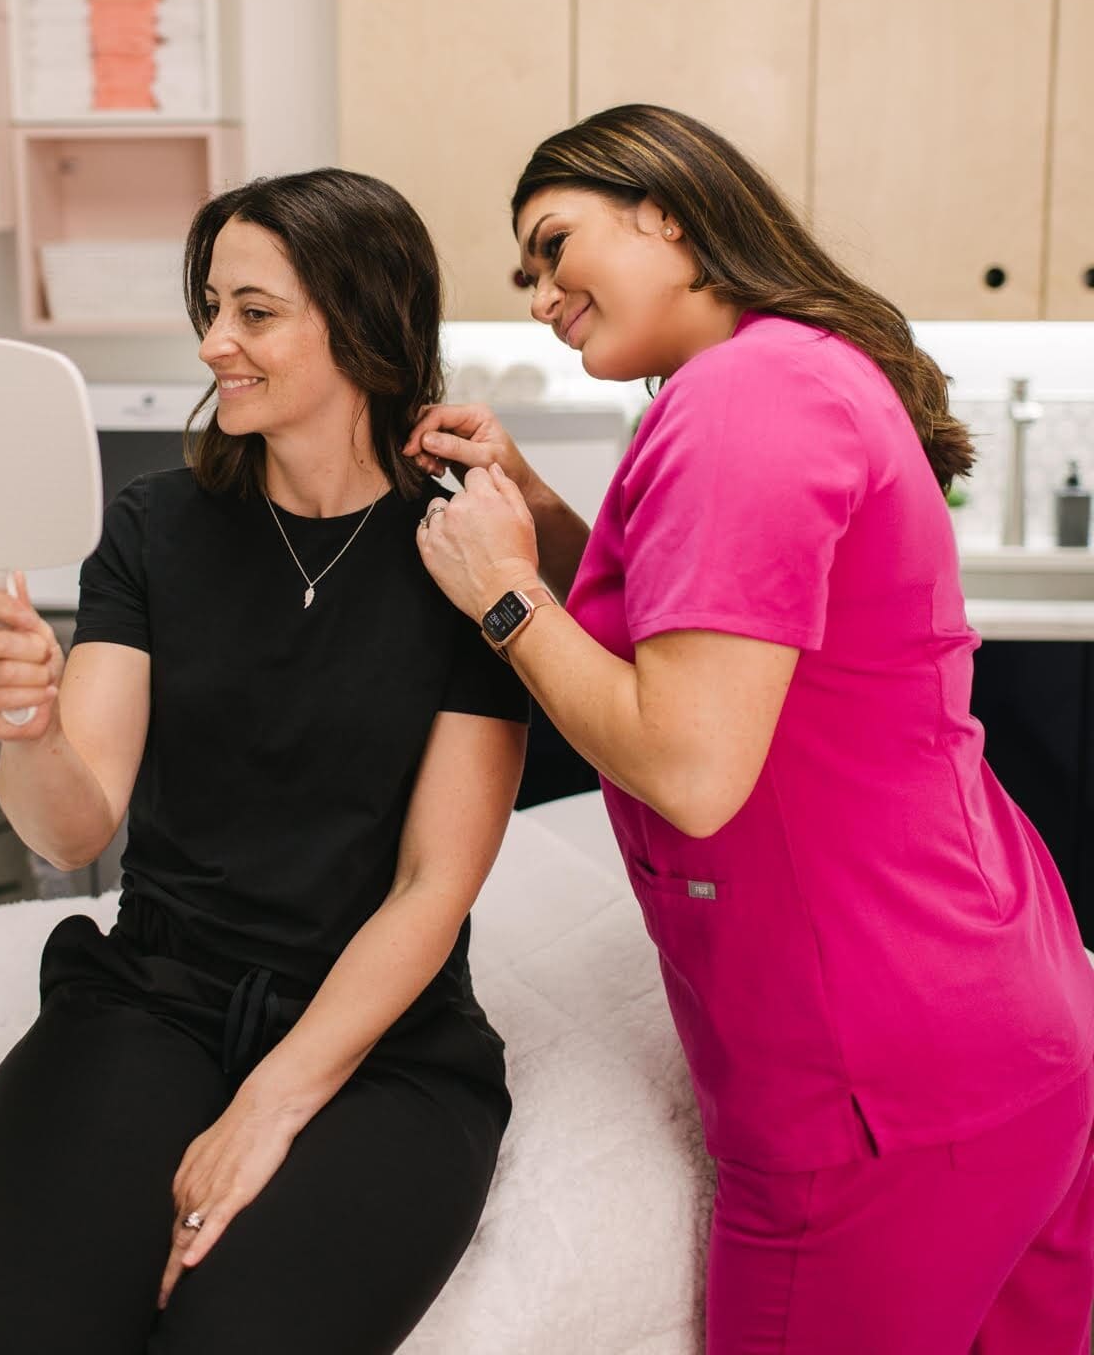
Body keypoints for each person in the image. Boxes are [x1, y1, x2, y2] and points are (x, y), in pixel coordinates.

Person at [404, 104, 1094, 1354]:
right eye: (526, 274)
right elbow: (702, 624)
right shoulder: (799, 370)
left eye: (556, 246)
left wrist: (502, 595)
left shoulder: (743, 405)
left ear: (665, 208)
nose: (540, 294)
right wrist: (543, 514)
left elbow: (689, 762)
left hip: (874, 1086)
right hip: (1003, 1030)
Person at [0, 168, 528, 1355]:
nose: (215, 344)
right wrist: (28, 731)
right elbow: (70, 831)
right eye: (212, 307)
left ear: (362, 318)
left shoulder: (468, 550)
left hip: (385, 1044)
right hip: (154, 997)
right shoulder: (155, 526)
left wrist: (269, 1106)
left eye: (254, 312)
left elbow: (434, 885)